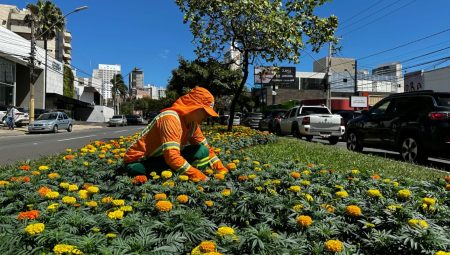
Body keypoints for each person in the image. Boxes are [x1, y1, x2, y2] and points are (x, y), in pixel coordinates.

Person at [122, 87, 228, 181]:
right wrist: (202, 177)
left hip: (162, 158)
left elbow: (208, 150)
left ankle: (189, 176)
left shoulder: (193, 124)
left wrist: (222, 171)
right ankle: (188, 179)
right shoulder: (170, 119)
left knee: (202, 151)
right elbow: (172, 158)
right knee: (172, 166)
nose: (207, 116)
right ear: (195, 107)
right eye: (205, 112)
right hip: (139, 162)